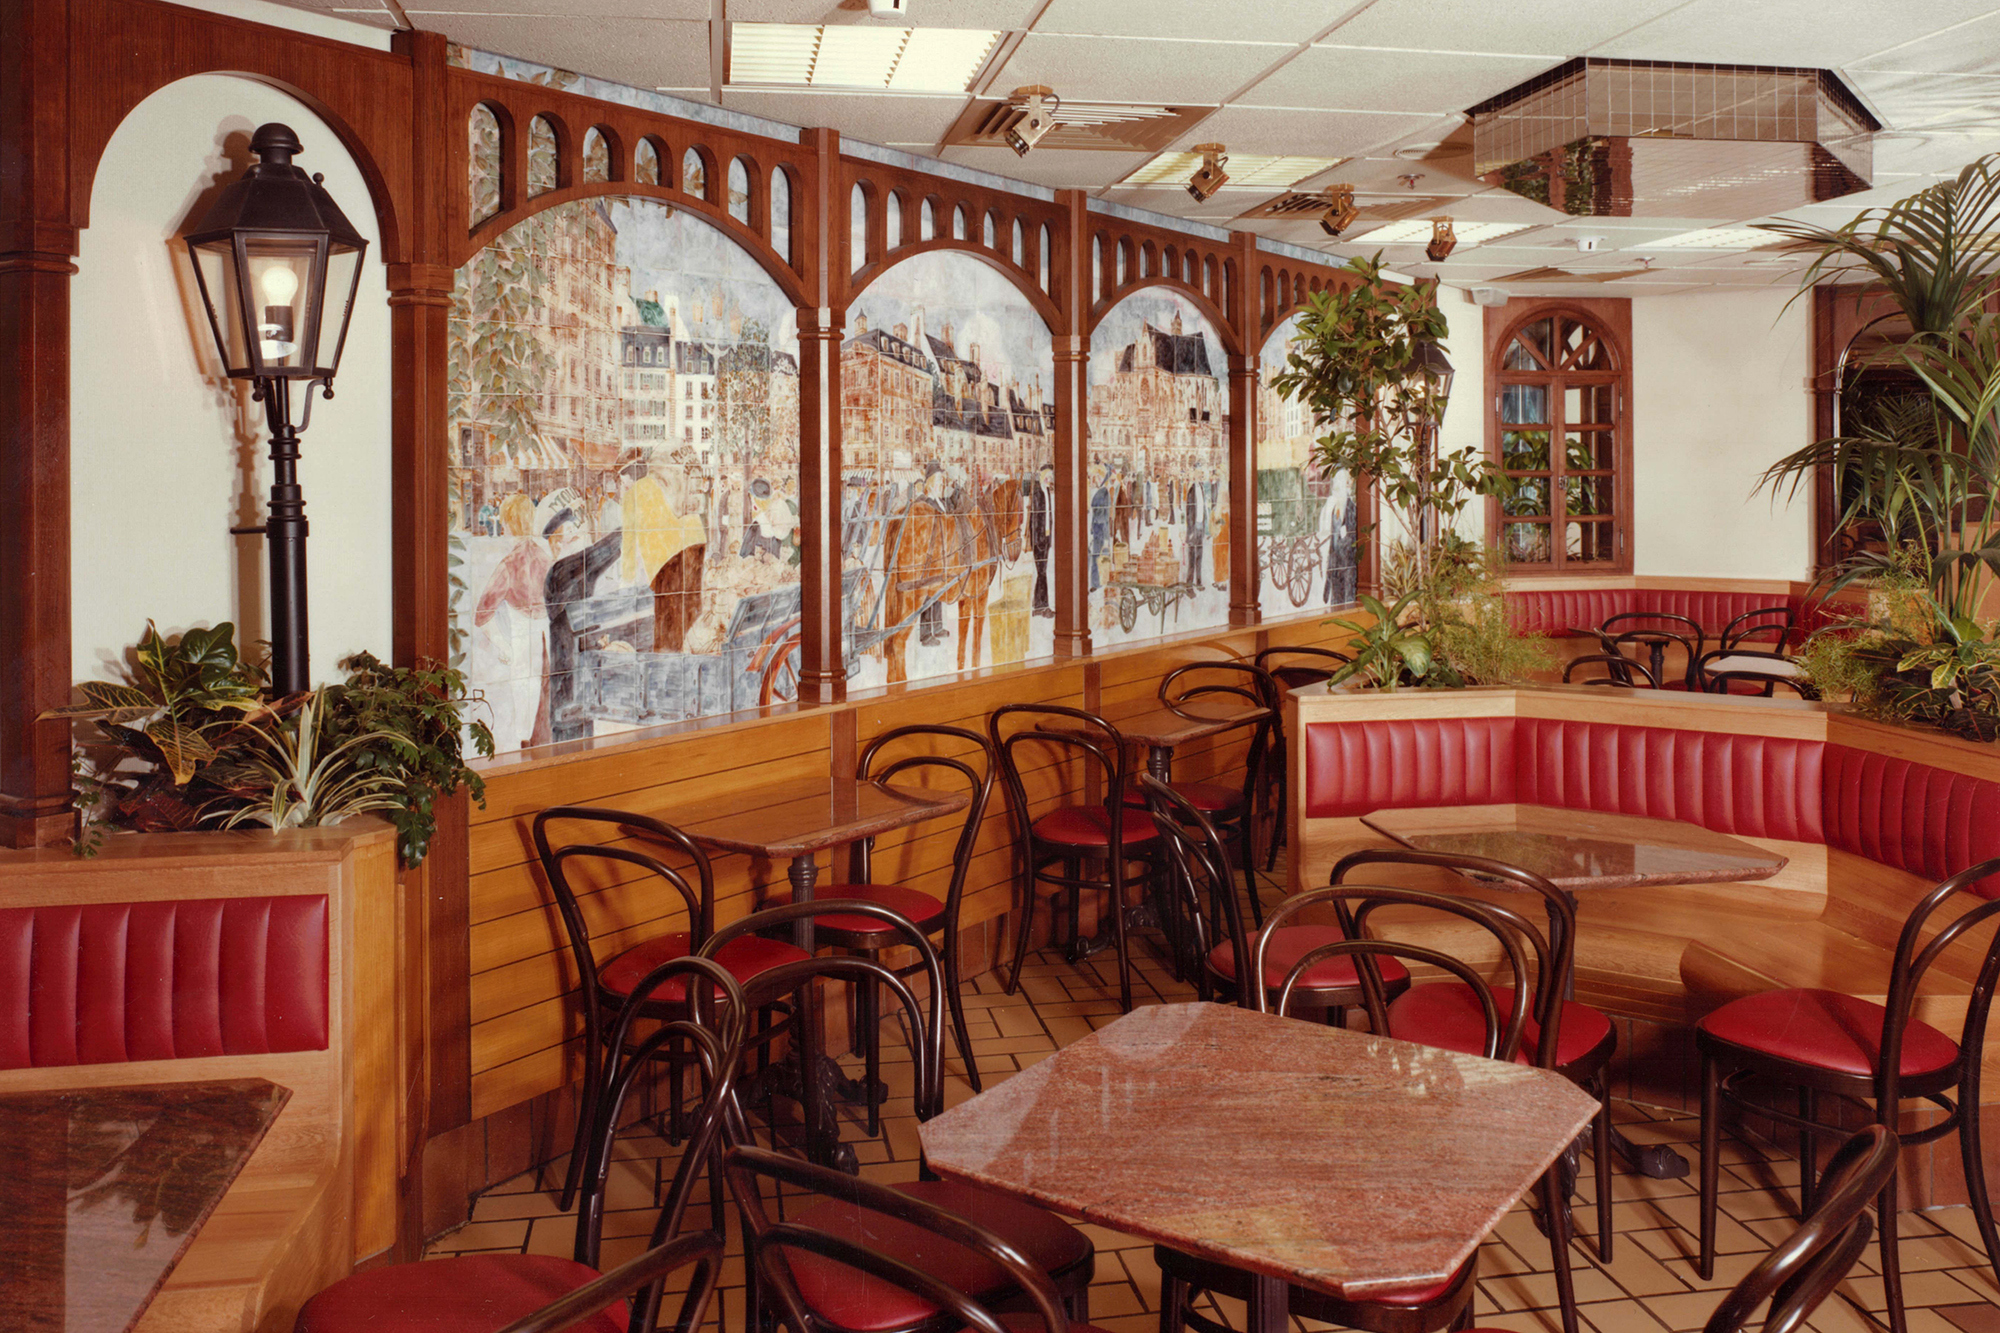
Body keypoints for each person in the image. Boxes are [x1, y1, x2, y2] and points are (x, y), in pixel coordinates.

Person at [1028, 463, 1053, 617]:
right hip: (1039, 540)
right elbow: (1035, 520)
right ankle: (1043, 607)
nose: (1049, 479)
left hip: (1046, 538)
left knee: (1041, 573)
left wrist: (1048, 539)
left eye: (1050, 476)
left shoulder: (1047, 491)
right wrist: (1037, 542)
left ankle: (1038, 605)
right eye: (1047, 476)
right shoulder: (1037, 493)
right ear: (1042, 476)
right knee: (1042, 573)